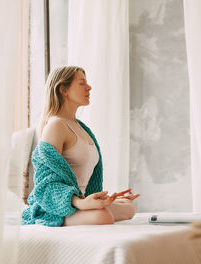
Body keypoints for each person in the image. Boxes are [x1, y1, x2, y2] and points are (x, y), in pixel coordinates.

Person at [22, 66, 139, 227]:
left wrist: (103, 200)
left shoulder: (82, 128)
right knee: (102, 216)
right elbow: (46, 182)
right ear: (63, 89)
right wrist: (80, 203)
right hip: (56, 206)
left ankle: (95, 210)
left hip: (81, 200)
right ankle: (89, 212)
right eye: (81, 83)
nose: (89, 87)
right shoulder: (56, 125)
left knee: (128, 207)